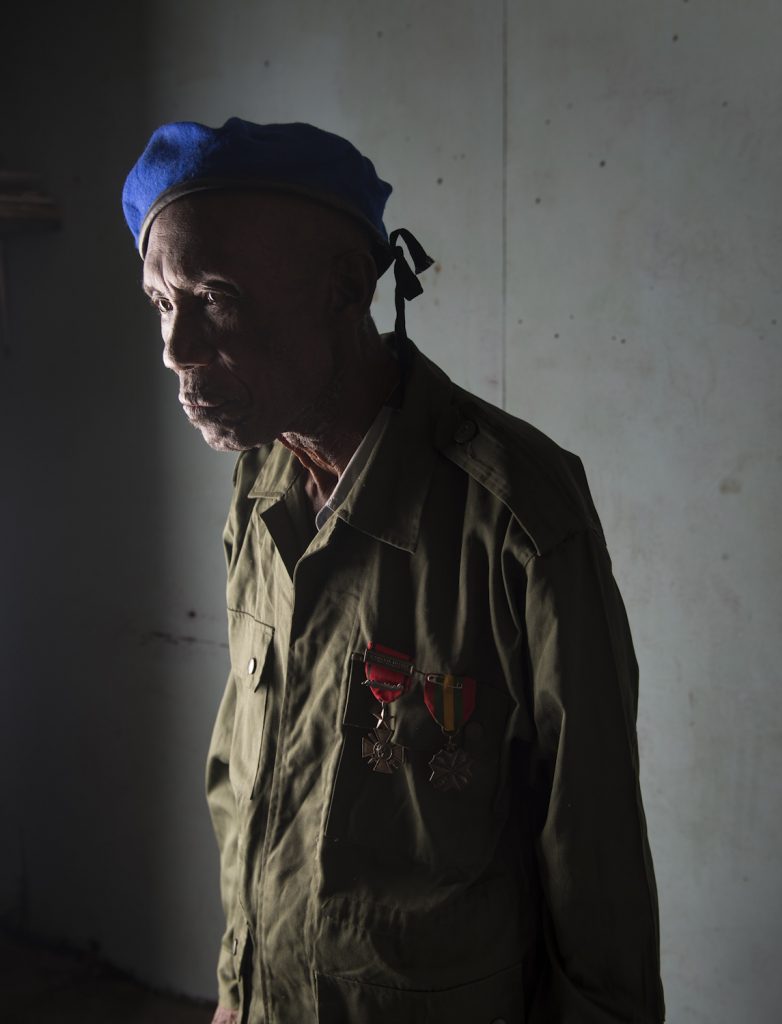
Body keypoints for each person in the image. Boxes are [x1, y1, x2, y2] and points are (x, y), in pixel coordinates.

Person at [123, 118, 665, 1024]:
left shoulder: (518, 515)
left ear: (347, 288)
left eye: (215, 297)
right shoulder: (260, 483)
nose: (177, 350)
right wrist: (234, 988)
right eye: (160, 303)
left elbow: (592, 847)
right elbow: (246, 781)